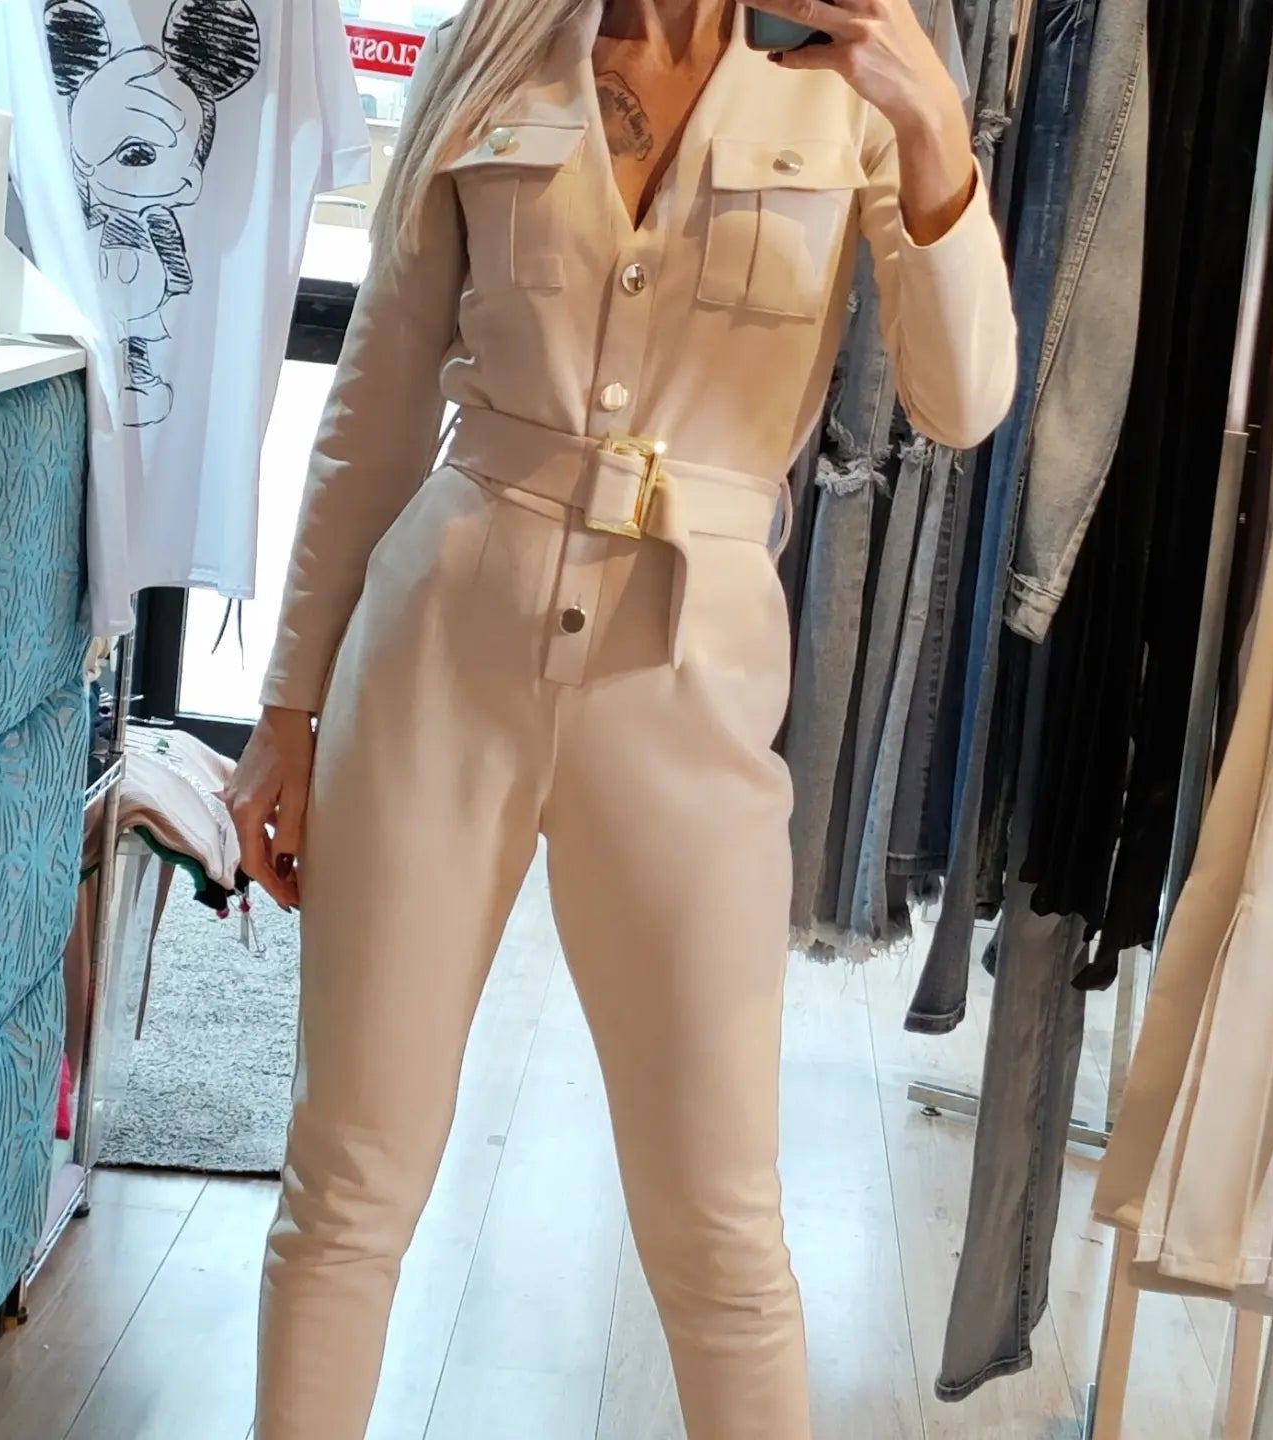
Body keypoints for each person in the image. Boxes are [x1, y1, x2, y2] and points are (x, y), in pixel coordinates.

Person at [228, 0, 1016, 1434]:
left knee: (722, 1235)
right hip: (436, 661)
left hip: (693, 689)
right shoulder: (491, 45)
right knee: (345, 1185)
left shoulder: (854, 73)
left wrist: (930, 119)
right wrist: (288, 708)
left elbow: (964, 401)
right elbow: (379, 398)